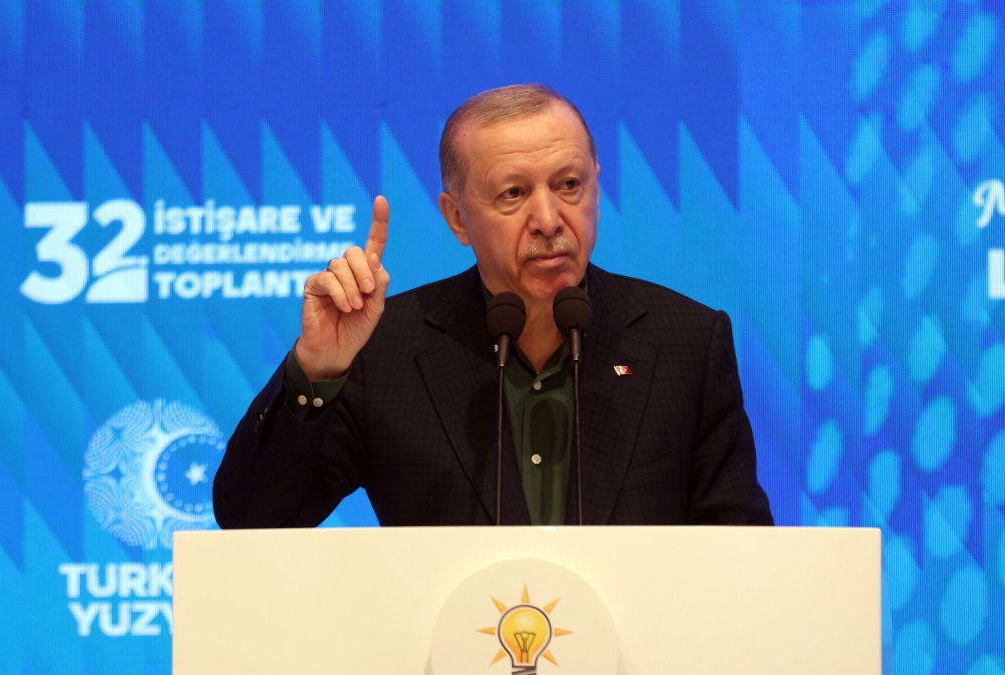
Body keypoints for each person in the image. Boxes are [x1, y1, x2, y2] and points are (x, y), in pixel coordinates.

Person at [213, 84, 773, 527]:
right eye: (513, 194)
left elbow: (743, 555)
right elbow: (252, 523)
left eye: (569, 184)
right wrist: (319, 368)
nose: (550, 220)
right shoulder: (385, 351)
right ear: (457, 218)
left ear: (597, 188)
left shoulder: (686, 343)